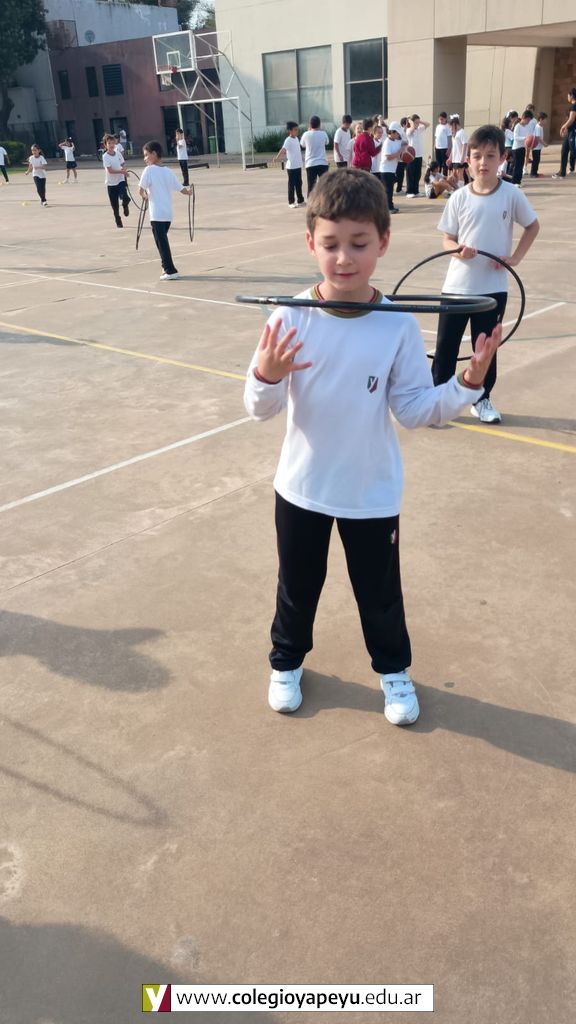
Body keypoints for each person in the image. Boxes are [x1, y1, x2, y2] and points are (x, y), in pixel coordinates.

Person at [243, 168, 502, 724]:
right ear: (310, 242)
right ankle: (286, 661)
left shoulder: (396, 326)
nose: (344, 258)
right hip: (303, 487)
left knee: (380, 593)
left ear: (383, 241)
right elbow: (259, 409)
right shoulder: (290, 317)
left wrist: (467, 385)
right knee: (297, 586)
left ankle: (393, 671)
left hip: (371, 492)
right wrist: (266, 376)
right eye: (330, 244)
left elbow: (413, 409)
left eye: (359, 243)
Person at [432, 124, 539, 424]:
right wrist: (457, 250)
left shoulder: (511, 194)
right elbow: (446, 239)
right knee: (446, 347)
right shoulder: (459, 198)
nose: (483, 162)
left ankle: (481, 398)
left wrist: (515, 258)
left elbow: (532, 226)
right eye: (477, 156)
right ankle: (438, 399)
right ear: (467, 160)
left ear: (503, 158)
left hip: (492, 289)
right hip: (456, 287)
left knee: (485, 348)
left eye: (490, 156)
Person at [138, 140, 193, 281]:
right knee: (161, 241)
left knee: (161, 243)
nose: (145, 158)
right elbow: (181, 189)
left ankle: (170, 270)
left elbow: (141, 190)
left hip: (156, 214)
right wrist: (189, 192)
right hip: (168, 214)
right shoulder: (168, 171)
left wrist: (145, 196)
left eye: (146, 155)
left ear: (154, 154)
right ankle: (165, 267)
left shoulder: (149, 170)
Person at [273, 121, 305, 208]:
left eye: (297, 129)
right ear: (290, 131)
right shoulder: (288, 140)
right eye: (295, 130)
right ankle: (291, 202)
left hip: (298, 165)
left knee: (299, 183)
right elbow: (283, 150)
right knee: (292, 185)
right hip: (291, 167)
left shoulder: (296, 139)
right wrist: (277, 157)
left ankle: (300, 200)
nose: (297, 131)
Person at [102, 133, 130, 228]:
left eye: (113, 143)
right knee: (115, 205)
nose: (111, 145)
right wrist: (122, 172)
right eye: (109, 143)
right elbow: (110, 171)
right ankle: (118, 220)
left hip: (121, 180)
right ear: (105, 145)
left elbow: (122, 164)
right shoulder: (105, 156)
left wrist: (124, 171)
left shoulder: (118, 153)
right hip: (111, 184)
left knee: (125, 197)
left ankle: (125, 205)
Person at [378, 121, 404, 213]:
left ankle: (390, 206)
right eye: (397, 133)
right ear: (392, 132)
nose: (398, 135)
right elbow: (388, 157)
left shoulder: (396, 141)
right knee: (387, 190)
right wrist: (399, 152)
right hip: (385, 170)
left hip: (392, 170)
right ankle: (388, 208)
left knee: (390, 190)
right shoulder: (387, 142)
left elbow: (400, 152)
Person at [300, 116, 329, 195]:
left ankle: (311, 201)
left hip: (310, 163)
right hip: (322, 162)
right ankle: (325, 201)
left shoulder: (306, 134)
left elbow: (302, 145)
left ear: (310, 124)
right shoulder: (323, 133)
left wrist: (308, 131)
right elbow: (327, 142)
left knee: (311, 186)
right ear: (319, 124)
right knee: (325, 185)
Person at [552, 87, 576, 179]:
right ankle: (562, 172)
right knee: (564, 151)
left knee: (574, 152)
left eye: (568, 95)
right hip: (569, 132)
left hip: (573, 132)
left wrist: (563, 126)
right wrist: (566, 128)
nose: (567, 97)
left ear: (572, 96)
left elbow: (571, 119)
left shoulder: (574, 106)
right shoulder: (572, 106)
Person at [405, 113, 430, 196]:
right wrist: (411, 122)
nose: (417, 124)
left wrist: (419, 121)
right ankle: (409, 192)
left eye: (418, 122)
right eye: (416, 122)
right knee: (410, 174)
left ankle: (416, 191)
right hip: (411, 155)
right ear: (412, 122)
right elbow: (412, 129)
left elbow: (428, 124)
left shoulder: (419, 129)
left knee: (417, 174)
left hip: (419, 155)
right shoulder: (409, 130)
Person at [511, 110, 532, 186]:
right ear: (524, 118)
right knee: (516, 166)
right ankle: (514, 182)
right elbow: (515, 137)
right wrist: (525, 138)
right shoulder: (518, 126)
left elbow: (527, 137)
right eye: (528, 120)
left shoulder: (526, 127)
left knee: (521, 166)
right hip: (516, 149)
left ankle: (518, 181)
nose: (528, 122)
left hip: (522, 148)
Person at [447, 115, 468, 185]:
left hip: (460, 158)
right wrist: (450, 158)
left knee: (460, 174)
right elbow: (454, 147)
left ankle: (461, 188)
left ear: (454, 124)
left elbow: (465, 145)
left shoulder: (462, 132)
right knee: (455, 174)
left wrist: (462, 158)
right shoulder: (454, 134)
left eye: (450, 127)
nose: (450, 129)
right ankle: (456, 188)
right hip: (455, 159)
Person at [529, 112, 547, 177]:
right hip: (536, 147)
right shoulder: (538, 127)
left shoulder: (540, 127)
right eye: (545, 120)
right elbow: (538, 138)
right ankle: (533, 173)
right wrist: (544, 143)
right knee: (536, 160)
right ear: (541, 119)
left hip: (538, 147)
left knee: (537, 160)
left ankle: (535, 172)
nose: (546, 121)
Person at [395, 117, 410, 194]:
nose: (409, 124)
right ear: (404, 124)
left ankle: (400, 188)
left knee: (402, 173)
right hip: (400, 157)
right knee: (399, 174)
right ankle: (398, 189)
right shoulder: (400, 132)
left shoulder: (405, 132)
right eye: (407, 123)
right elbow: (401, 142)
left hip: (405, 156)